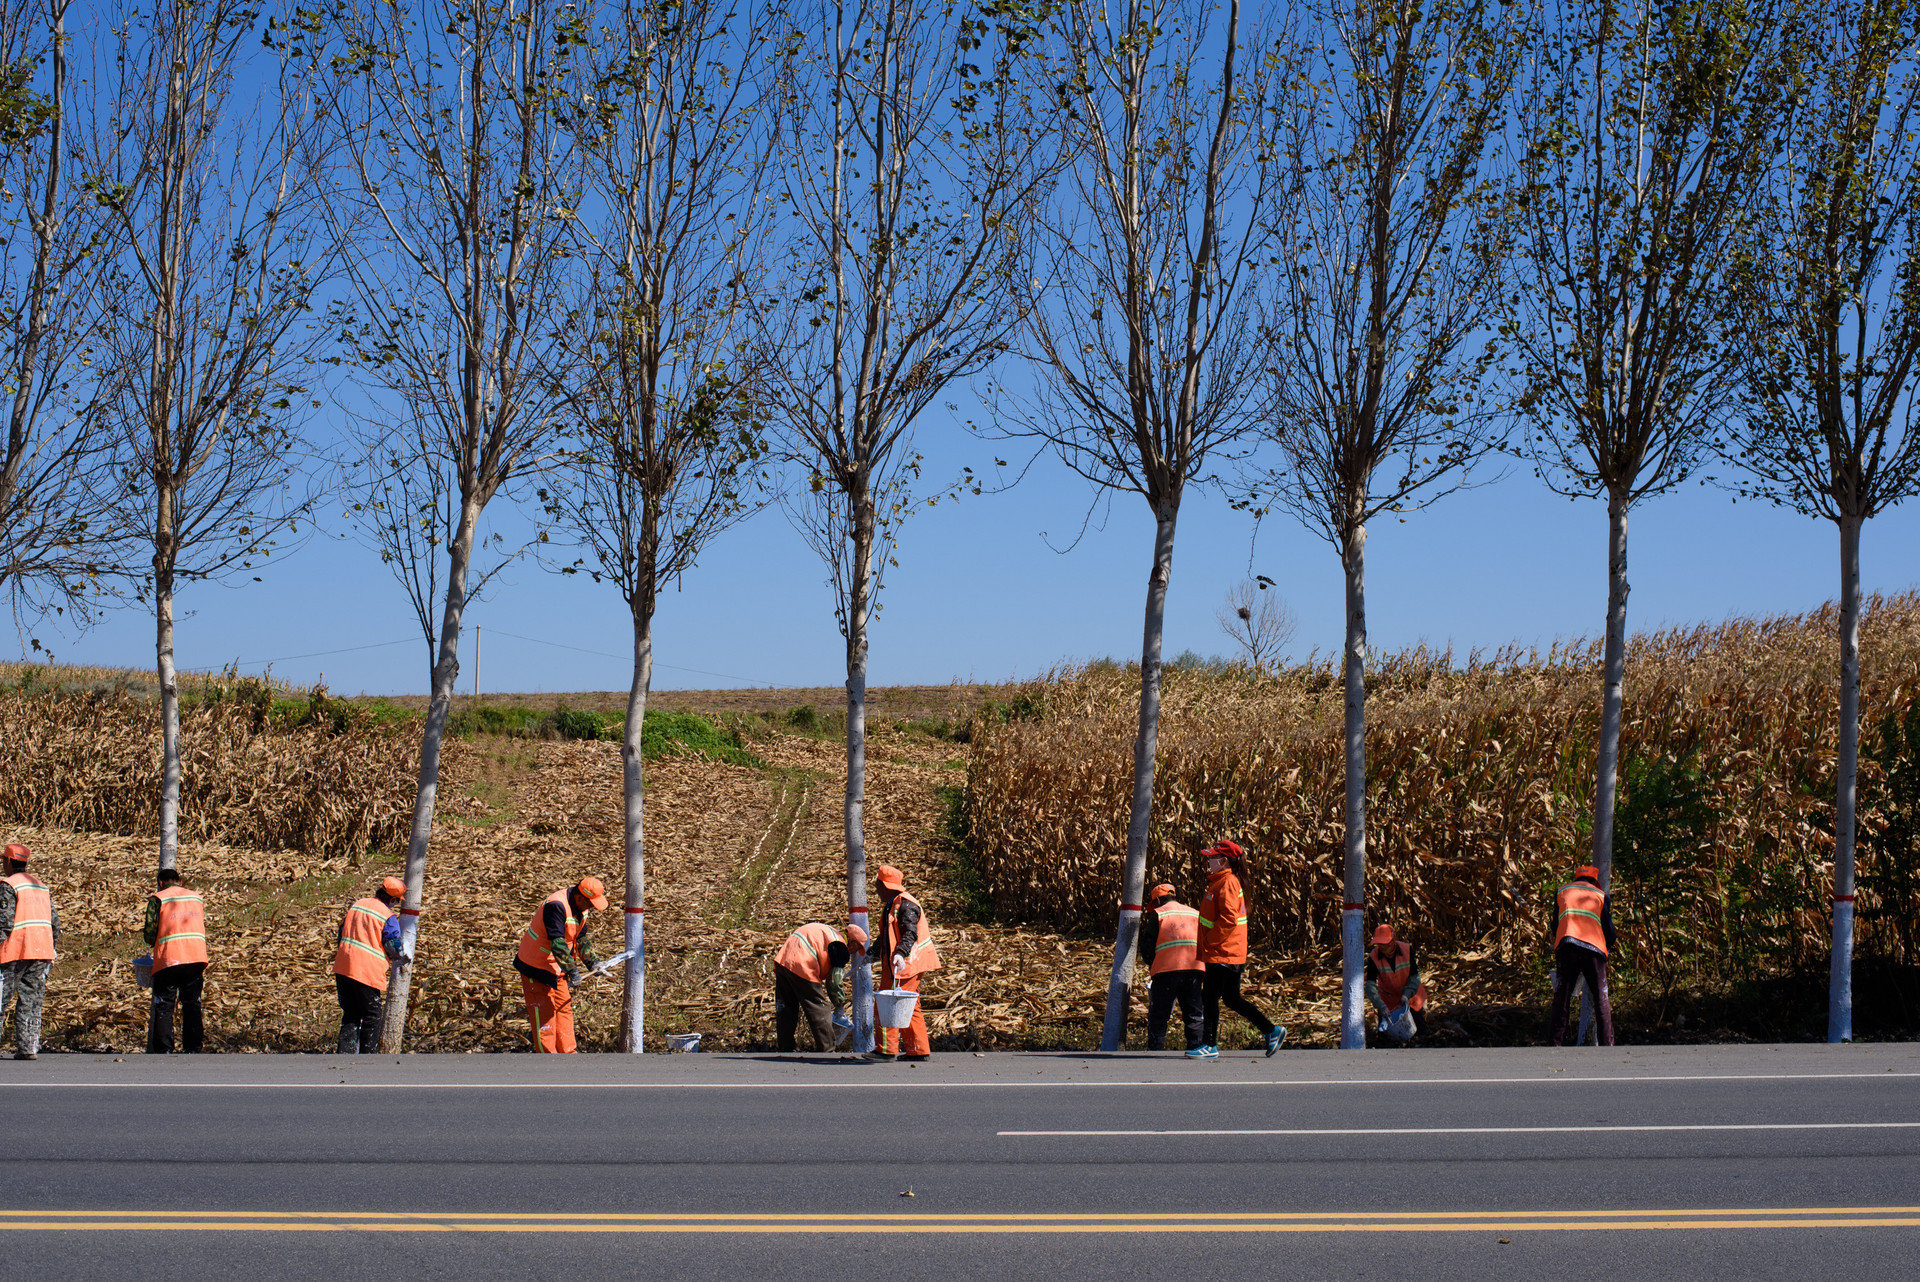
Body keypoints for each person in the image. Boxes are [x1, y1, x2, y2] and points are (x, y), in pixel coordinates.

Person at [1191, 839, 1285, 1061]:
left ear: (1223, 861)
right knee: (1232, 999)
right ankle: (1271, 1031)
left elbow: (1228, 918)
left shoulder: (1228, 883)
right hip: (1227, 951)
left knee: (1210, 996)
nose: (1209, 860)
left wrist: (1211, 942)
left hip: (1223, 952)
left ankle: (1209, 1045)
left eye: (1213, 857)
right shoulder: (1224, 881)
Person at [513, 876, 608, 1053]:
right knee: (545, 1015)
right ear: (580, 897)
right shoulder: (556, 906)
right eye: (590, 904)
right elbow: (557, 944)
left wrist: (592, 962)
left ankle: (568, 1056)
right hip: (536, 967)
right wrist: (573, 971)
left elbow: (580, 938)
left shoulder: (582, 909)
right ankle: (548, 1061)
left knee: (564, 1008)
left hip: (556, 967)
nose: (591, 909)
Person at [867, 863, 939, 1062]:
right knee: (910, 1005)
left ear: (885, 885)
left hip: (906, 963)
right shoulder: (897, 903)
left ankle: (886, 1050)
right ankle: (918, 1049)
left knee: (886, 1004)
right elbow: (888, 935)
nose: (875, 889)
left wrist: (900, 953)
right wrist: (874, 952)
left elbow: (909, 934)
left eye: (877, 885)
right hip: (909, 962)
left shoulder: (905, 904)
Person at [333, 876, 405, 1055]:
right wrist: (401, 955)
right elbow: (391, 945)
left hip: (343, 966)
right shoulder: (388, 916)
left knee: (351, 1013)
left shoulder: (357, 905)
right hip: (366, 971)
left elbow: (341, 934)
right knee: (372, 1015)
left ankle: (345, 1055)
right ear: (393, 899)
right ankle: (368, 1057)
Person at [1548, 864, 1617, 1046]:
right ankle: (1606, 1045)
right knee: (1601, 998)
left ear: (1576, 878)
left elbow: (1555, 925)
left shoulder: (1562, 891)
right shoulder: (1600, 895)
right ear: (1595, 880)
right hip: (1593, 949)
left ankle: (1556, 1042)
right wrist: (1607, 948)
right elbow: (1609, 931)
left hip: (1567, 945)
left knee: (1562, 996)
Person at [0, 843, 58, 1060]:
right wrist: (52, 947)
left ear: (7, 862)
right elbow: (55, 922)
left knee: (1, 1000)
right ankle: (28, 1048)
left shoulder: (8, 885)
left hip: (14, 951)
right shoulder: (41, 886)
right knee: (31, 1000)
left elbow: (4, 922)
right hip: (41, 950)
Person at [145, 868, 209, 1054]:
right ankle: (194, 1047)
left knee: (164, 1004)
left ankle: (164, 1048)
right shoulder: (196, 897)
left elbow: (150, 933)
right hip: (196, 957)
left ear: (160, 882)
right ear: (179, 881)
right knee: (192, 1003)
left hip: (169, 958)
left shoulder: (158, 898)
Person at [774, 921, 864, 1052]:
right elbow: (834, 982)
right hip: (803, 964)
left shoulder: (830, 934)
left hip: (783, 961)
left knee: (787, 1007)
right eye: (856, 948)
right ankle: (827, 1048)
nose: (853, 953)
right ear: (853, 942)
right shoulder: (841, 947)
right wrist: (839, 1005)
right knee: (819, 1008)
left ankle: (786, 1047)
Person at [1139, 882, 1204, 1052]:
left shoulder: (1158, 914)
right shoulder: (1195, 913)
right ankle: (1196, 1049)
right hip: (1194, 970)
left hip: (1166, 971)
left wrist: (1152, 962)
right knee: (1194, 1014)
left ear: (1158, 900)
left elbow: (1147, 946)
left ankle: (1155, 1051)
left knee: (1159, 1015)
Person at [1365, 923, 1427, 1044]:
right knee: (1387, 1037)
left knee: (1419, 1030)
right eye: (1379, 944)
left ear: (1393, 941)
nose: (1382, 947)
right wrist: (1380, 1005)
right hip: (1389, 999)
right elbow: (1370, 984)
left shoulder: (1407, 950)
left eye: (1385, 944)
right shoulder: (1374, 957)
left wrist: (1407, 994)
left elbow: (1414, 976)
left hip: (1412, 994)